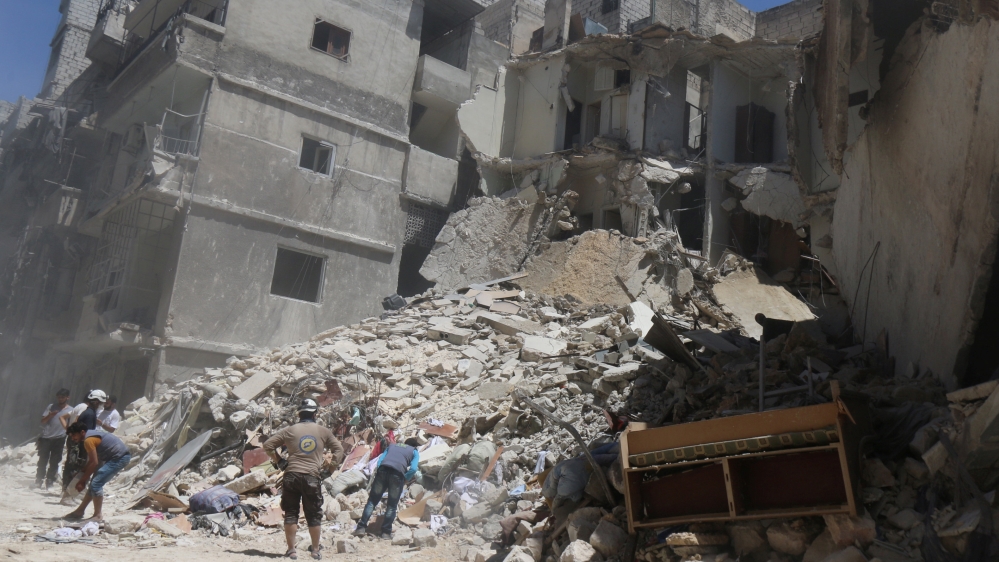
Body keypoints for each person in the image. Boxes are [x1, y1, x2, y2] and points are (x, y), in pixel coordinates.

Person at [263, 399, 344, 560]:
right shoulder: (323, 431)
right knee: (313, 515)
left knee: (291, 514)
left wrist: (279, 460)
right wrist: (330, 470)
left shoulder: (289, 430)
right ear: (314, 414)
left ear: (299, 414)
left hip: (291, 476)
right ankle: (315, 550)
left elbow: (267, 445)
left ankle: (291, 550)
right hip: (312, 477)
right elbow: (339, 450)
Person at [353, 437, 421, 539]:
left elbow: (380, 461)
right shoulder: (414, 451)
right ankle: (385, 532)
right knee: (392, 505)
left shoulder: (392, 446)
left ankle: (361, 528)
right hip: (397, 474)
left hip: (383, 470)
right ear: (414, 446)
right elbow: (413, 469)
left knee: (372, 501)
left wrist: (380, 472)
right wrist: (405, 478)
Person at [63, 421, 131, 521]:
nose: (72, 438)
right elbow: (92, 461)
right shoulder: (90, 435)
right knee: (93, 484)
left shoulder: (88, 440)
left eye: (74, 435)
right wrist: (83, 471)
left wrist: (82, 481)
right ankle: (80, 511)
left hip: (119, 458)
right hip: (112, 458)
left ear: (82, 432)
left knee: (96, 484)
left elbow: (94, 463)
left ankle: (98, 515)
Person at [59, 390, 106, 495]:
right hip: (80, 443)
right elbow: (86, 433)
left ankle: (68, 491)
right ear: (96, 402)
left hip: (79, 442)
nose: (101, 405)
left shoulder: (89, 412)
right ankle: (69, 493)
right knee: (76, 466)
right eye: (100, 403)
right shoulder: (89, 414)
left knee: (73, 465)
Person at [35, 389, 72, 490]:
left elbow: (71, 424)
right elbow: (43, 421)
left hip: (59, 438)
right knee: (42, 460)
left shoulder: (71, 410)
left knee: (55, 461)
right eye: (59, 397)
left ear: (67, 398)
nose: (60, 399)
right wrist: (50, 415)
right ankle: (39, 480)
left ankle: (50, 481)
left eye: (62, 397)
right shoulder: (51, 407)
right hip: (46, 437)